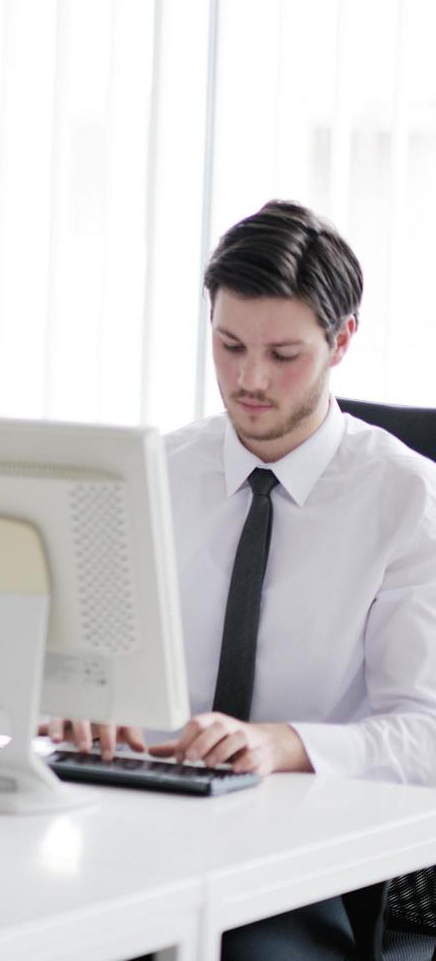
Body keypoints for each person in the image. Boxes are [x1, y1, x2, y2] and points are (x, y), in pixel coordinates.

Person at [51, 199, 436, 960]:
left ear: (341, 339)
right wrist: (75, 700)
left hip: (312, 865)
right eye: (228, 346)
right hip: (137, 831)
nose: (249, 379)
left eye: (282, 355)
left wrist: (282, 744)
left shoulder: (407, 501)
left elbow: (425, 735)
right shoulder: (154, 471)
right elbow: (85, 658)